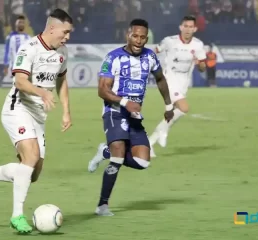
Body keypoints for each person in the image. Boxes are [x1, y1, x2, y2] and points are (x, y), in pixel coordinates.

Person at [0, 9, 73, 233]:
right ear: (52, 28)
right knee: (31, 156)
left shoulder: (62, 52)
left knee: (31, 173)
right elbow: (21, 81)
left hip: (38, 117)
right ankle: (17, 216)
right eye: (65, 32)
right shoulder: (29, 48)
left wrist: (66, 111)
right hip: (17, 108)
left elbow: (62, 81)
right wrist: (42, 93)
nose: (67, 37)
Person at [87, 18, 174, 216]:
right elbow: (102, 90)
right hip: (114, 112)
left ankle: (105, 152)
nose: (138, 40)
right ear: (128, 34)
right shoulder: (114, 57)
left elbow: (160, 79)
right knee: (119, 154)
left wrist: (169, 105)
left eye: (143, 37)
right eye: (135, 36)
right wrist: (125, 102)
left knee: (143, 162)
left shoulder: (150, 57)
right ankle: (102, 205)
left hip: (134, 116)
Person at [148, 15, 207, 157]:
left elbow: (203, 68)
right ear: (181, 27)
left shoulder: (198, 45)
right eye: (185, 26)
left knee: (172, 114)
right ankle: (162, 132)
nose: (187, 29)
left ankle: (149, 143)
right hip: (168, 78)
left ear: (195, 29)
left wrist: (200, 64)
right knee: (184, 107)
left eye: (190, 27)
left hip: (183, 82)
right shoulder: (170, 41)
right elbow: (155, 50)